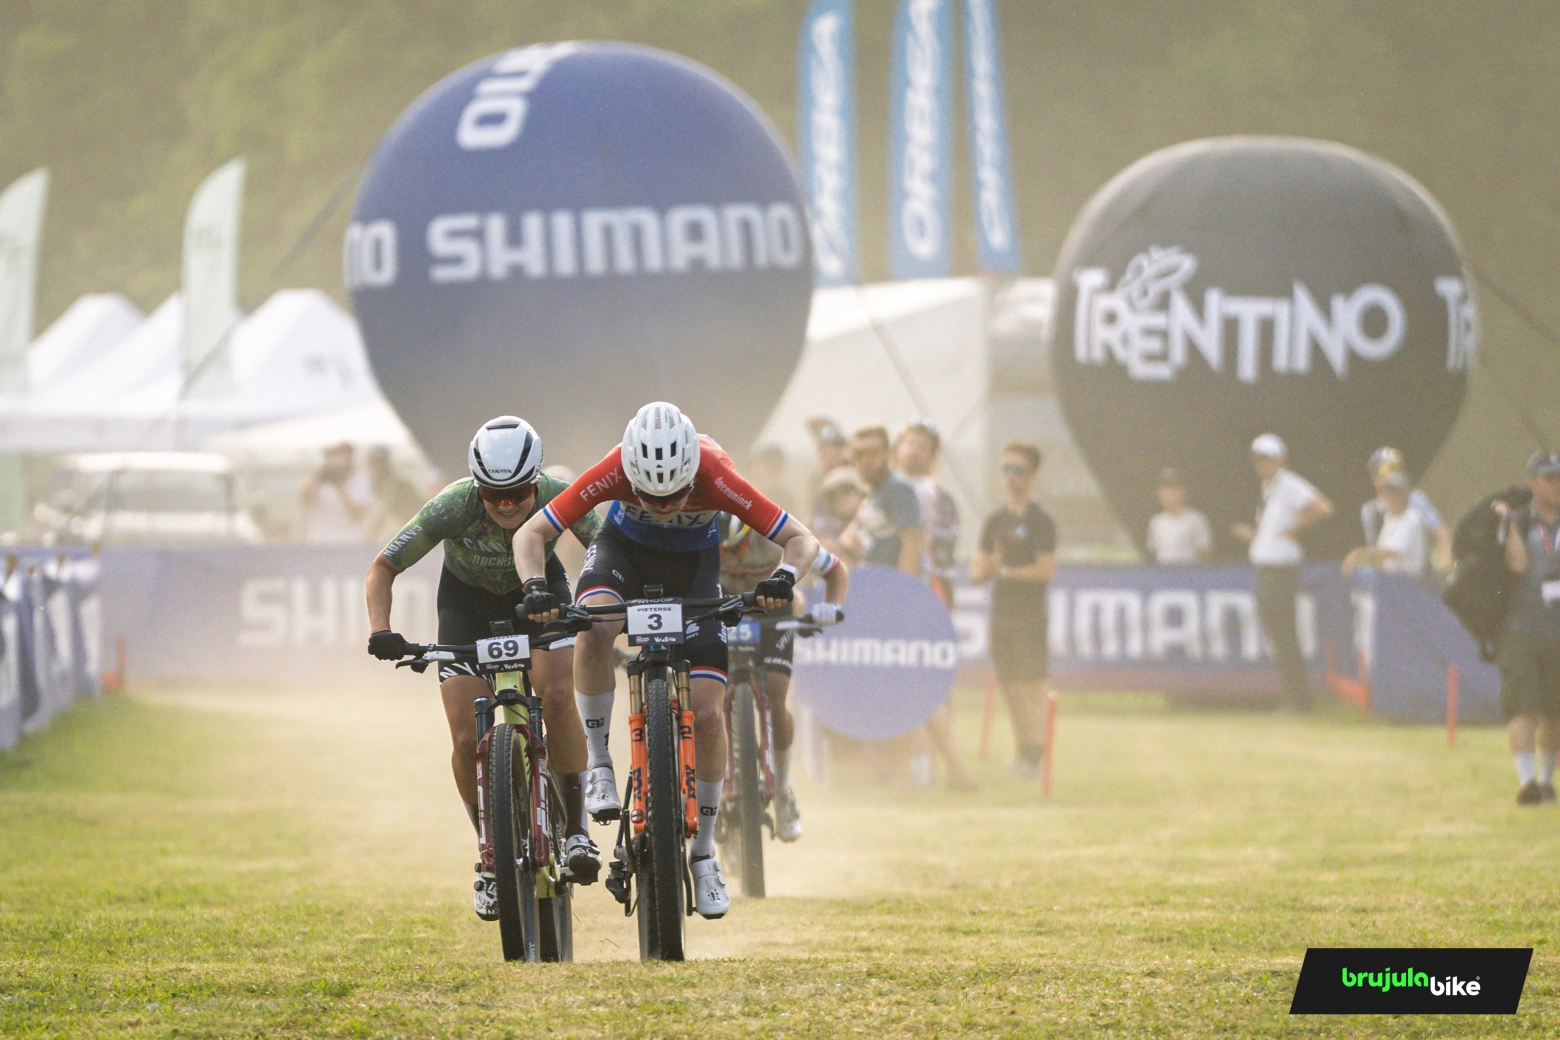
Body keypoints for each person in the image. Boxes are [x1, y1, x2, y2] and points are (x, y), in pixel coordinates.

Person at [513, 402, 830, 920]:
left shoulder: (715, 471)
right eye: (648, 495)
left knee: (708, 712)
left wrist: (784, 580)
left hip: (692, 567)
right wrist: (532, 588)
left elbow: (802, 539)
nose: (663, 506)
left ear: (693, 476)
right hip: (623, 554)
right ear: (629, 473)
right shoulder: (614, 465)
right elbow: (530, 534)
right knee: (593, 630)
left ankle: (704, 853)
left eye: (676, 495)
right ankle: (599, 764)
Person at [363, 416, 604, 921]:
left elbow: (605, 546)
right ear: (477, 487)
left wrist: (598, 600)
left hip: (541, 595)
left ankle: (577, 828)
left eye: (517, 492)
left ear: (536, 482)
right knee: (464, 740)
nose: (507, 504)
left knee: (558, 696)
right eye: (494, 494)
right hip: (465, 606)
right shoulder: (453, 504)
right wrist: (380, 628)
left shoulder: (561, 493)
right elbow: (383, 566)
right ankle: (489, 856)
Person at [845, 424, 977, 791]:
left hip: (897, 603)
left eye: (872, 453)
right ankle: (910, 771)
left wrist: (901, 595)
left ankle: (946, 770)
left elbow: (912, 542)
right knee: (897, 688)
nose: (864, 461)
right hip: (877, 602)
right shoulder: (873, 495)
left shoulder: (898, 490)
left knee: (914, 688)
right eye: (857, 454)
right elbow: (856, 540)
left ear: (887, 454)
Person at [719, 515, 850, 840]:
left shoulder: (775, 538)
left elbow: (837, 571)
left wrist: (831, 606)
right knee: (707, 696)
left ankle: (784, 786)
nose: (733, 558)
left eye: (740, 549)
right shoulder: (700, 541)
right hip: (720, 606)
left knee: (776, 693)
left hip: (772, 608)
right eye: (724, 551)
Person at [970, 442, 1057, 779]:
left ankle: (1038, 755)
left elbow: (1044, 571)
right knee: (1010, 687)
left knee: (1034, 686)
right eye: (1006, 468)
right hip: (1000, 614)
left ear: (1033, 475)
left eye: (1018, 470)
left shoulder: (1041, 521)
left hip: (1029, 615)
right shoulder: (995, 520)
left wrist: (1004, 571)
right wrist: (990, 568)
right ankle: (1024, 754)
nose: (1010, 476)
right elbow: (977, 572)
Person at [1232, 434, 1334, 712]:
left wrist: (1296, 529)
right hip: (1268, 567)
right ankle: (1295, 694)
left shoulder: (1288, 483)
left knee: (1284, 634)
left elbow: (1322, 507)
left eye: (1268, 459)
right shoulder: (1270, 489)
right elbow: (1274, 530)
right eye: (1259, 459)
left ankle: (1297, 697)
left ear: (1280, 460)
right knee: (1279, 635)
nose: (1262, 465)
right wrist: (1255, 537)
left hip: (1280, 570)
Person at [1493, 449, 1560, 805]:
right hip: (1521, 627)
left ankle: (1547, 781)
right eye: (1549, 478)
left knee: (1555, 712)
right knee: (1523, 708)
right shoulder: (1518, 520)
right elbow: (1516, 565)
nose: (1557, 485)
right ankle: (1526, 782)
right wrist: (1506, 524)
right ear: (1533, 483)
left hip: (1559, 631)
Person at [893, 418, 961, 597]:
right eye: (910, 443)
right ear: (897, 448)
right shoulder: (877, 492)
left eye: (923, 447)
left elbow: (941, 551)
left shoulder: (942, 499)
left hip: (926, 591)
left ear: (932, 456)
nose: (914, 451)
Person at [1361, 446, 1451, 575]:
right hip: (1391, 579)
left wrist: (1444, 563)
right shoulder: (1370, 512)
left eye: (1396, 467)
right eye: (1385, 468)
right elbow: (1373, 550)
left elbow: (1440, 531)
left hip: (1420, 572)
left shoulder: (1415, 499)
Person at [1342, 469, 1428, 578]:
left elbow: (1392, 553)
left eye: (1395, 492)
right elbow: (1381, 557)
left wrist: (1358, 555)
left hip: (1408, 582)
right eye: (1387, 492)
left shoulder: (1411, 518)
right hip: (1391, 580)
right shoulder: (1389, 518)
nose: (1390, 497)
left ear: (1405, 494)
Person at [298, 442, 372, 543]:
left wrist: (339, 487)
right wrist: (318, 474)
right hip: (318, 544)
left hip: (348, 544)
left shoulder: (360, 482)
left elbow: (356, 515)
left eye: (340, 455)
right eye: (332, 455)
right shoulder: (318, 483)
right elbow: (303, 498)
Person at [361, 445, 425, 544]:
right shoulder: (373, 481)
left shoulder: (396, 482)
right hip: (399, 524)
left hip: (411, 525)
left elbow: (383, 511)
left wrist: (368, 538)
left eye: (380, 462)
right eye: (374, 462)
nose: (377, 466)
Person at [1145, 468, 1211, 564]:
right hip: (1163, 575)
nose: (1168, 494)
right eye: (1164, 489)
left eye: (1172, 489)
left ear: (1182, 491)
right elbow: (1153, 551)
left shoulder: (1196, 519)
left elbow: (1204, 551)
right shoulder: (1156, 521)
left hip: (1189, 575)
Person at [811, 466, 868, 556]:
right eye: (832, 496)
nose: (840, 498)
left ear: (860, 493)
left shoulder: (870, 516)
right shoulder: (831, 528)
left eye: (846, 491)